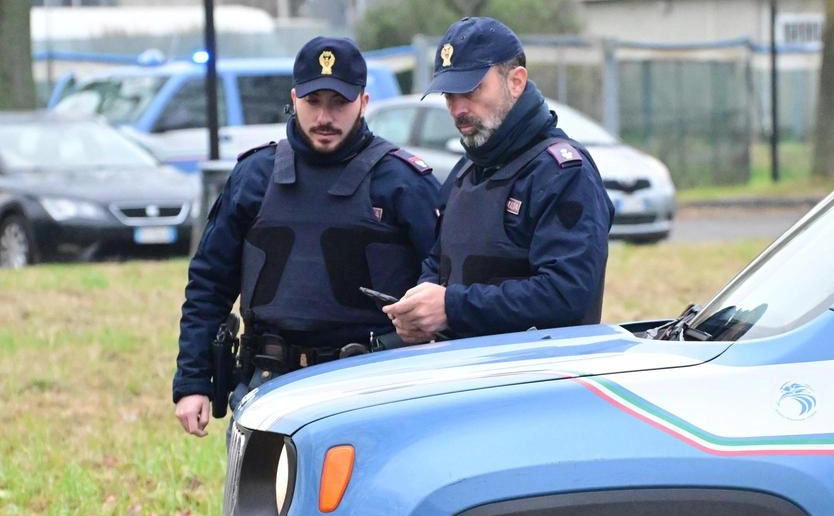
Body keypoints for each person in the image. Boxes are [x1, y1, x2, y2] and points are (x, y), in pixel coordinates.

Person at [173, 36, 441, 437]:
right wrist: (193, 382)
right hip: (269, 382)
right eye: (314, 102)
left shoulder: (402, 182)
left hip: (374, 383)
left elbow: (444, 281)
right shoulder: (255, 176)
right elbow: (210, 282)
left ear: (364, 103)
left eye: (339, 103)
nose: (325, 117)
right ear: (295, 98)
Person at [382, 16, 613, 343]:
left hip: (537, 379)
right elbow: (439, 265)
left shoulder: (562, 173)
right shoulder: (466, 171)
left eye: (472, 89)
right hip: (464, 371)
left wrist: (452, 307)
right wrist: (419, 311)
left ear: (516, 81)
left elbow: (566, 292)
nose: (458, 108)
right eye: (449, 95)